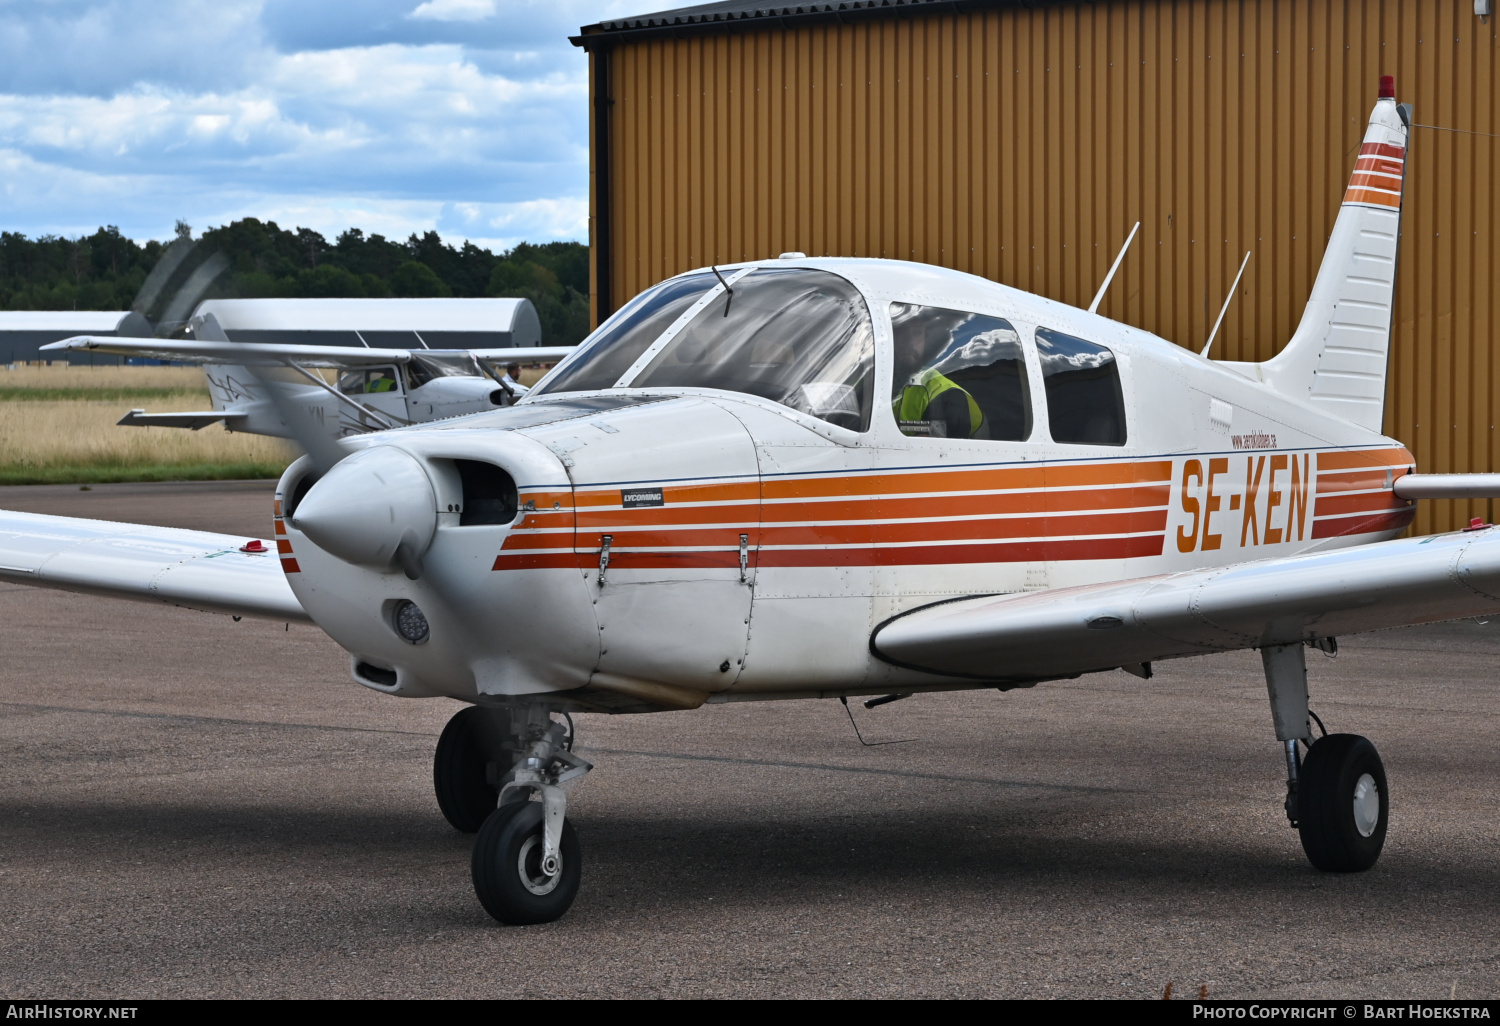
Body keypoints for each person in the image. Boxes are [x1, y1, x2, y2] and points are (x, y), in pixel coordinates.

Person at [890, 305, 984, 439]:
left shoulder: (947, 394)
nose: (910, 341)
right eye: (901, 332)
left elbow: (929, 452)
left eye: (917, 333)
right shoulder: (867, 381)